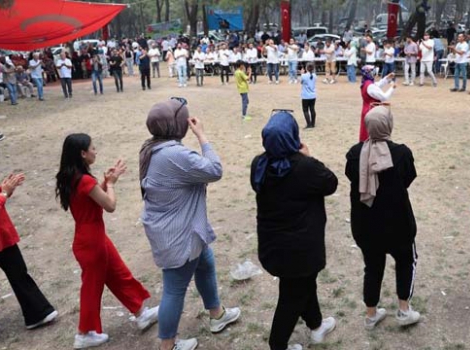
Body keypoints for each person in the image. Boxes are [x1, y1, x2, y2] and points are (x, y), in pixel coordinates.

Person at [139, 99, 241, 350]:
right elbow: (214, 170)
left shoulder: (153, 146)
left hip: (184, 230)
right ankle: (167, 345)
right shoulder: (175, 154)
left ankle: (216, 314)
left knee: (205, 263)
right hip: (179, 235)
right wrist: (202, 136)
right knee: (174, 289)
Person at [55, 134, 159, 349]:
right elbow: (109, 205)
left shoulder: (73, 176)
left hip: (91, 237)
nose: (96, 151)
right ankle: (83, 333)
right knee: (92, 287)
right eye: (93, 148)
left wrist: (107, 181)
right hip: (91, 241)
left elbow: (90, 198)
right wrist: (110, 185)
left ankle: (140, 312)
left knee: (119, 273)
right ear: (83, 153)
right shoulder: (83, 179)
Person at [250, 111, 338, 350]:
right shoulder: (304, 166)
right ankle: (277, 344)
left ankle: (316, 326)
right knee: (292, 296)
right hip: (300, 251)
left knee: (302, 285)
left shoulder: (259, 163)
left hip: (273, 245)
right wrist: (310, 157)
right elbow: (331, 183)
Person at [0, 135, 57, 336]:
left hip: (0, 233)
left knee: (18, 271)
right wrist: (4, 193)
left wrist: (7, 188)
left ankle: (37, 313)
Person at [345, 106, 421, 331]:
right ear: (389, 125)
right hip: (398, 224)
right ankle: (404, 310)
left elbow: (351, 176)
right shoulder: (402, 154)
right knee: (406, 262)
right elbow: (407, 179)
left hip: (366, 224)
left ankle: (371, 315)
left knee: (373, 266)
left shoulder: (354, 154)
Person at [359, 67, 396, 142]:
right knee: (373, 133)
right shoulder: (370, 86)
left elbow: (377, 85)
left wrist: (387, 78)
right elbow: (384, 97)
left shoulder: (366, 83)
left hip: (367, 109)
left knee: (366, 132)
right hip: (372, 111)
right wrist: (392, 88)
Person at [301, 63, 317, 128]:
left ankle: (308, 124)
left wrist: (302, 73)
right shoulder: (315, 76)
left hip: (305, 96)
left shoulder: (304, 76)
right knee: (312, 109)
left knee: (305, 110)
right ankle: (313, 123)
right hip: (313, 95)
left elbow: (301, 82)